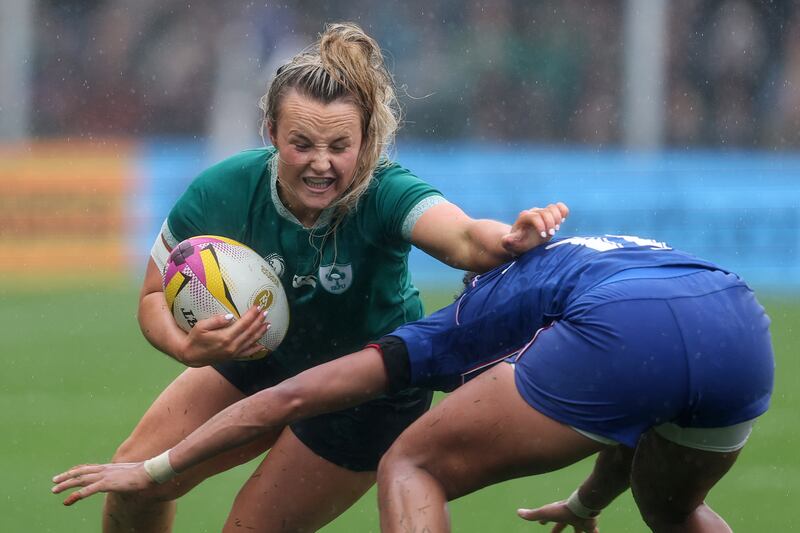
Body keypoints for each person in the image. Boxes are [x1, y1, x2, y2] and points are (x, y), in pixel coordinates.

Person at [96, 21, 568, 533]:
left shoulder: (386, 191)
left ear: (365, 142)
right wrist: (186, 348)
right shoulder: (223, 189)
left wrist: (508, 241)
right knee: (133, 478)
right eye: (301, 144)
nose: (321, 164)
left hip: (365, 390)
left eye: (339, 146)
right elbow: (151, 296)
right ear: (271, 133)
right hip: (263, 353)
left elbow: (463, 237)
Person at [53, 234, 773, 532]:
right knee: (674, 511)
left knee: (411, 459)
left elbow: (288, 397)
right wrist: (588, 501)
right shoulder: (578, 258)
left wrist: (154, 467)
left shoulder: (473, 311)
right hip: (740, 324)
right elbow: (639, 394)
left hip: (631, 324)